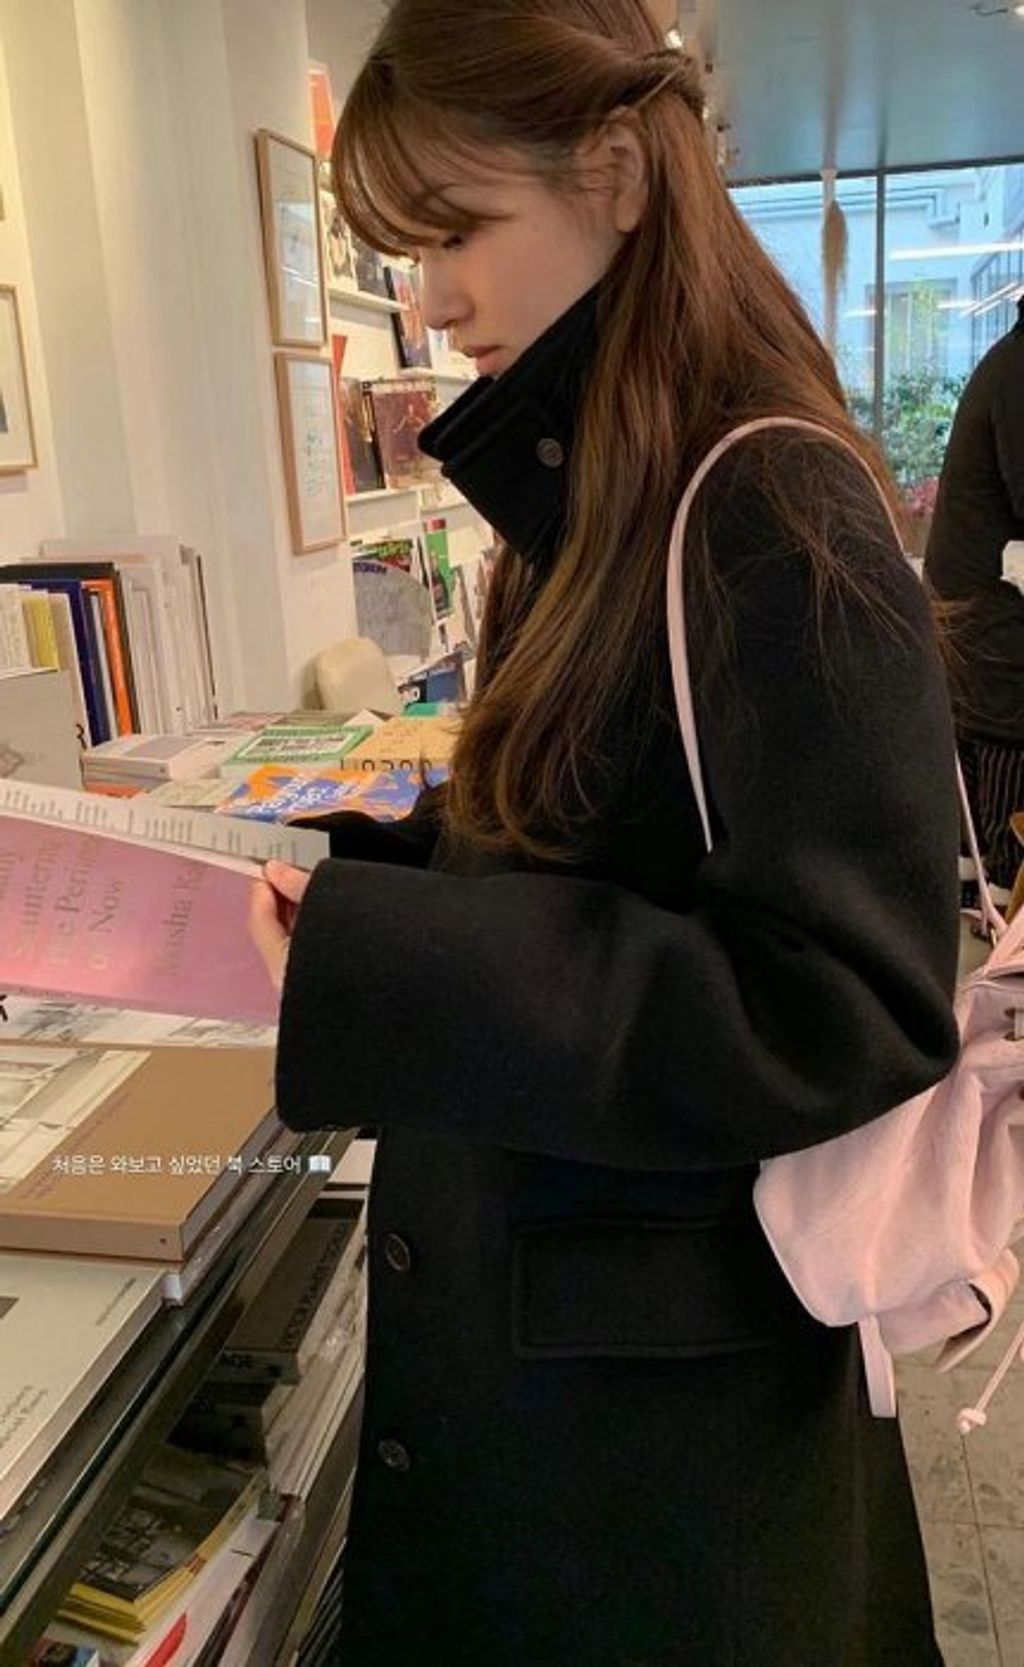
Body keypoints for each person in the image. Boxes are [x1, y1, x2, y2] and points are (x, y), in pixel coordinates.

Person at [249, 2, 961, 1661]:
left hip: (666, 1470)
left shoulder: (766, 501)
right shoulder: (604, 488)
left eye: (455, 232)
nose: (430, 298)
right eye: (406, 249)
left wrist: (398, 961)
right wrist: (382, 880)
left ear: (618, 172)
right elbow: (610, 830)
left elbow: (845, 997)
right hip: (590, 1392)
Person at [925, 293, 1024, 896]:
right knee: (1008, 735)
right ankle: (1003, 898)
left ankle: (979, 883)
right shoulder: (1018, 369)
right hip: (989, 624)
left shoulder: (1007, 361)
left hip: (971, 615)